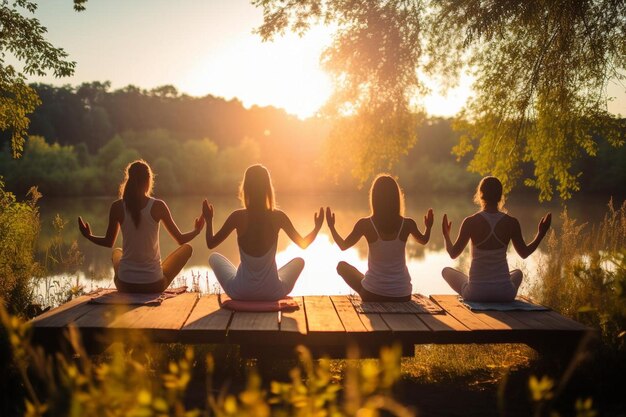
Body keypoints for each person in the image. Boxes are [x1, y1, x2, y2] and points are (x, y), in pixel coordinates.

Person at [78, 160, 204, 293]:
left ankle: (142, 273)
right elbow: (180, 239)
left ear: (129, 179)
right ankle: (153, 271)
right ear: (149, 180)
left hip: (125, 285)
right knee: (187, 249)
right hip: (154, 285)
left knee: (116, 252)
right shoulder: (158, 206)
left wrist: (88, 236)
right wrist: (197, 231)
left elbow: (108, 242)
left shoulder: (117, 207)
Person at [203, 164, 323, 301]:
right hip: (273, 292)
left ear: (246, 189)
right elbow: (303, 244)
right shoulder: (278, 217)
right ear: (267, 189)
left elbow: (211, 243)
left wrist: (209, 220)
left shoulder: (238, 217)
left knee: (214, 257)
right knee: (299, 261)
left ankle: (248, 277)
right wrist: (317, 228)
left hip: (241, 292)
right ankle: (269, 278)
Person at [441, 176, 551, 302]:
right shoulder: (512, 222)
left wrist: (446, 235)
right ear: (500, 197)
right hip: (505, 294)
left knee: (446, 271)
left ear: (480, 195)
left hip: (476, 294)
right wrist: (541, 234)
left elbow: (453, 253)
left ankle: (475, 285)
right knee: (518, 273)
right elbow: (524, 253)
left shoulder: (470, 222)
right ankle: (492, 287)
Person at [326, 174, 434, 302]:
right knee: (364, 277)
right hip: (403, 295)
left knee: (342, 266)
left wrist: (331, 227)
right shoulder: (407, 224)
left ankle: (371, 286)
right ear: (396, 198)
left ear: (374, 198)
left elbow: (343, 246)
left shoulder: (365, 224)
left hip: (372, 294)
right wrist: (429, 227)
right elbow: (424, 240)